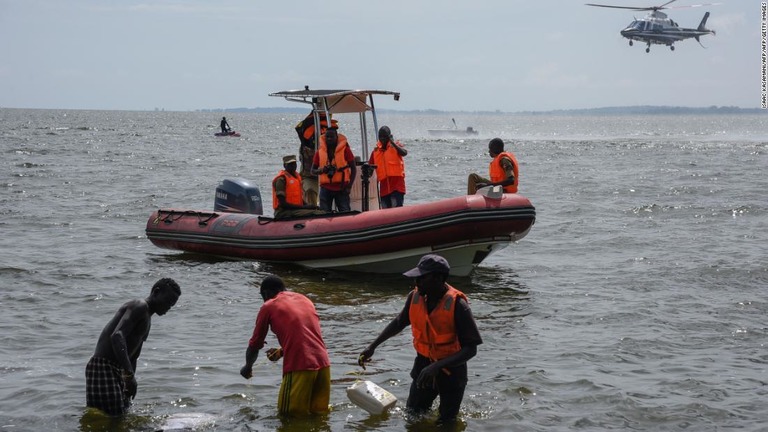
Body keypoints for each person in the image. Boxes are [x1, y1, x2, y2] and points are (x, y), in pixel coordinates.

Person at [357, 254, 482, 425]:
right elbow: (399, 322)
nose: (417, 282)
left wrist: (437, 366)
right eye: (417, 277)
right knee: (413, 416)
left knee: (446, 422)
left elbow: (471, 349)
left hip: (451, 371)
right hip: (423, 365)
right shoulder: (414, 297)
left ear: (439, 278)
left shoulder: (458, 305)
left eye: (422, 278)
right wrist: (373, 346)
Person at [85, 278, 181, 416]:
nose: (168, 307)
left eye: (171, 305)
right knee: (113, 417)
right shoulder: (139, 306)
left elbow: (134, 356)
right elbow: (117, 336)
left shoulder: (148, 318)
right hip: (103, 366)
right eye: (167, 302)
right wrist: (128, 375)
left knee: (122, 414)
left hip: (118, 369)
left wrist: (129, 383)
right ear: (156, 292)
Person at [240, 275, 331, 417]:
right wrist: (282, 352)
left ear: (266, 293)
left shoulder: (268, 306)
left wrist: (247, 367)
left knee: (288, 417)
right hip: (324, 365)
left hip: (300, 367)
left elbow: (255, 345)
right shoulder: (304, 299)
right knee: (319, 417)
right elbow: (307, 337)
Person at [295, 112, 337, 206]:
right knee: (310, 191)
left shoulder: (336, 145)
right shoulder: (307, 144)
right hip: (310, 177)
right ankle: (312, 213)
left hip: (330, 179)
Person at [311, 126, 356, 213]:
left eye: (332, 137)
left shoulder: (345, 150)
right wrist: (321, 170)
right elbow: (312, 171)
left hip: (342, 187)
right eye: (327, 137)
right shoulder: (319, 152)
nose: (329, 139)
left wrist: (349, 186)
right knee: (324, 213)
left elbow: (353, 169)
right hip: (325, 188)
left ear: (337, 137)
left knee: (345, 212)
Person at [271, 155, 326, 219]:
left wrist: (309, 206)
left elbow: (299, 198)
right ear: (284, 166)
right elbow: (283, 204)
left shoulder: (297, 178)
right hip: (284, 211)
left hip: (295, 209)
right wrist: (304, 207)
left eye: (294, 164)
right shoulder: (281, 180)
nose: (293, 166)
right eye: (290, 164)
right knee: (316, 213)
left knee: (319, 210)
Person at [368, 125, 408, 208]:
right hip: (384, 189)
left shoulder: (396, 146)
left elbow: (404, 153)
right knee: (386, 213)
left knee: (397, 212)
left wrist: (392, 142)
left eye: (385, 136)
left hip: (397, 187)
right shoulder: (375, 152)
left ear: (389, 136)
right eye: (380, 136)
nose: (382, 138)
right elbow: (370, 167)